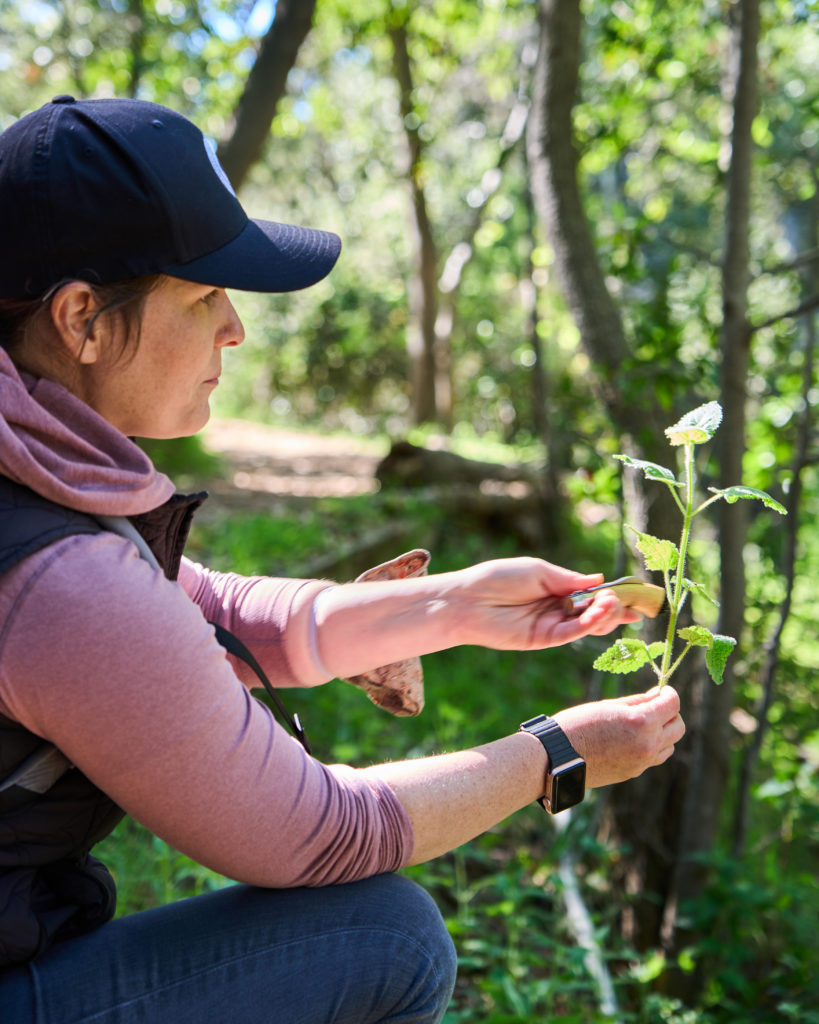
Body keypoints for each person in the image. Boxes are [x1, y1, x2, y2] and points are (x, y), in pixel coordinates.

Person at [0, 95, 684, 1023]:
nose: (233, 329)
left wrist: (451, 607)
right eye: (202, 296)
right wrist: (553, 755)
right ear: (81, 317)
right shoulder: (56, 578)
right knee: (384, 936)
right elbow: (315, 835)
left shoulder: (32, 469)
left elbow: (210, 612)